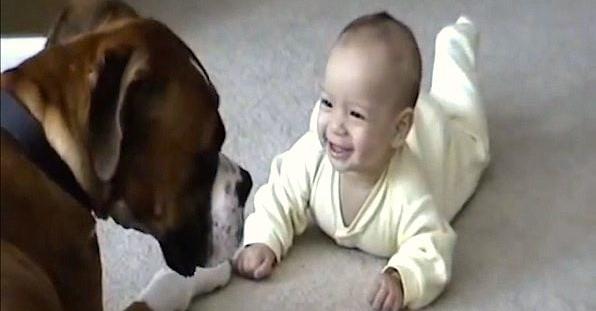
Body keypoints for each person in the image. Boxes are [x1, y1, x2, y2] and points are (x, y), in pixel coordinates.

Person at [235, 12, 490, 310]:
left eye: (355, 114)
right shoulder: (313, 155)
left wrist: (402, 277)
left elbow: (432, 245)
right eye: (328, 103)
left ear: (398, 130)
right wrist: (264, 239)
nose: (336, 125)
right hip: (407, 124)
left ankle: (454, 46)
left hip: (442, 143)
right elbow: (280, 194)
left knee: (463, 113)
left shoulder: (409, 191)